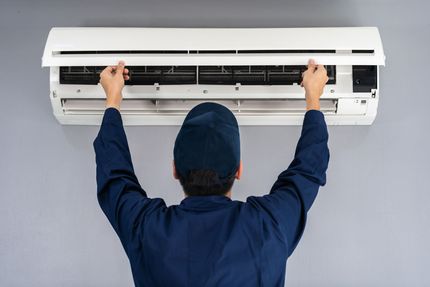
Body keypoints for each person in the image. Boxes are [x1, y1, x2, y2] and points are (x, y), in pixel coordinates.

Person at [93, 59, 330, 287]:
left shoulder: (147, 230)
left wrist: (113, 98)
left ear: (175, 170)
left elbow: (114, 176)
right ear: (239, 170)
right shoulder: (268, 226)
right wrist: (313, 97)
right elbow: (308, 170)